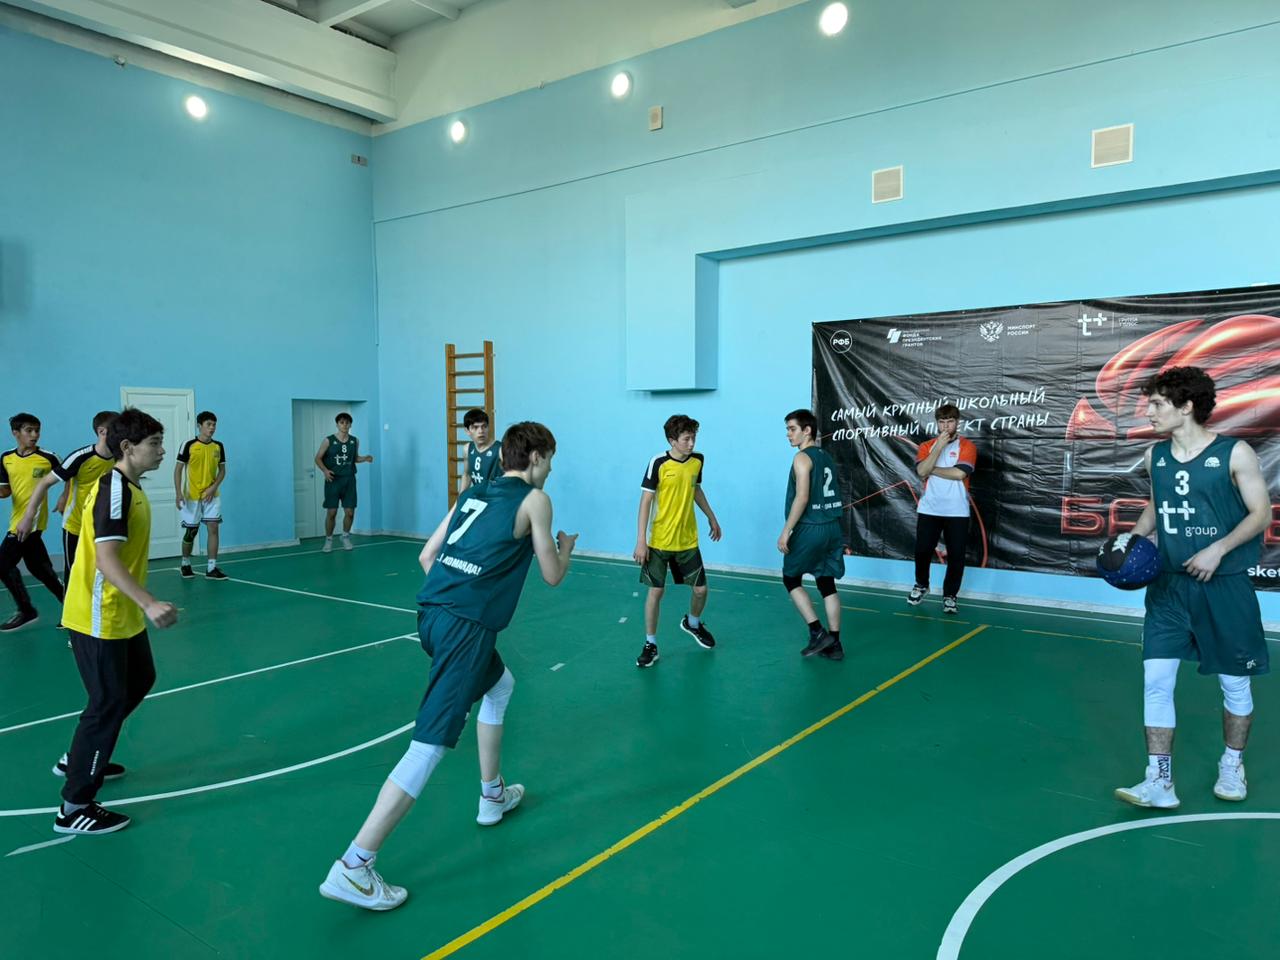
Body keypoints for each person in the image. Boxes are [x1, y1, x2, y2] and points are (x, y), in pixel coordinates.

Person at [319, 421, 575, 911]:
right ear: (537, 457)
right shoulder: (536, 500)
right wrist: (565, 549)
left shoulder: (473, 493)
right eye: (550, 460)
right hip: (465, 631)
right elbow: (551, 575)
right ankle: (354, 866)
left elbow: (426, 556)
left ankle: (492, 795)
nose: (550, 470)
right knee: (429, 744)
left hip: (431, 616)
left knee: (500, 686)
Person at [1113, 366, 1271, 810]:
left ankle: (1232, 764)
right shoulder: (1156, 456)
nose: (1149, 411)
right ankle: (1159, 781)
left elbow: (1260, 514)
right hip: (1169, 588)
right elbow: (1157, 504)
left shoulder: (1234, 453)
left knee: (1234, 684)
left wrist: (1218, 549)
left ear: (1186, 406)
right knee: (1156, 682)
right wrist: (1133, 541)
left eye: (1157, 403)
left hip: (1224, 587)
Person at [54, 408, 178, 835]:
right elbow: (106, 559)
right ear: (127, 447)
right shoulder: (114, 490)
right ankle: (74, 806)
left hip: (120, 612)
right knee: (106, 703)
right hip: (98, 614)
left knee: (140, 679)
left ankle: (83, 753)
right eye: (154, 444)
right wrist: (149, 603)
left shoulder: (131, 487)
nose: (162, 451)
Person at [633, 414, 722, 668]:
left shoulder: (697, 461)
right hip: (659, 541)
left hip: (687, 540)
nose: (691, 443)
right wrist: (641, 540)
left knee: (701, 590)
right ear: (673, 441)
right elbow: (646, 501)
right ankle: (650, 644)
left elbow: (696, 489)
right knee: (656, 592)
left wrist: (712, 517)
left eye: (694, 438)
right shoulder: (658, 463)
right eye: (686, 439)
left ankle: (692, 623)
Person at [17, 411, 118, 587]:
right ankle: (69, 604)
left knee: (103, 574)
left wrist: (64, 495)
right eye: (119, 429)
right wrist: (28, 517)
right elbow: (44, 483)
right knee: (74, 575)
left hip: (103, 525)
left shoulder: (121, 457)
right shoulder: (80, 457)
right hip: (76, 525)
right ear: (102, 432)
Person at [776, 409, 845, 660]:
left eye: (792, 429)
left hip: (810, 527)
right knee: (826, 583)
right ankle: (835, 643)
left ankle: (817, 631)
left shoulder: (802, 458)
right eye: (787, 429)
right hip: (832, 526)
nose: (788, 434)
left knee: (791, 579)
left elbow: (802, 497)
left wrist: (786, 531)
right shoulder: (825, 456)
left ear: (807, 430)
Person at [909, 403, 977, 615]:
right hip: (929, 508)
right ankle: (922, 585)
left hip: (957, 511)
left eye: (950, 421)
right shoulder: (926, 445)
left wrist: (931, 469)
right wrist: (938, 447)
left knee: (956, 556)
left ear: (957, 422)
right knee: (922, 551)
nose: (946, 426)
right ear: (937, 424)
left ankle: (950, 595)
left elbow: (959, 474)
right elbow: (921, 472)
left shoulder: (967, 446)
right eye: (942, 422)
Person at [0, 413, 65, 631]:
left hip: (31, 523)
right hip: (17, 519)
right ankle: (73, 607)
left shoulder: (49, 457)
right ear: (15, 433)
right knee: (41, 569)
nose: (34, 435)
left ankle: (26, 610)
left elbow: (71, 475)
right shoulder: (6, 458)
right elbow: (5, 491)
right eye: (29, 430)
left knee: (2, 564)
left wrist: (64, 497)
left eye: (37, 430)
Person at [174, 411, 227, 580]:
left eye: (214, 425)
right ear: (199, 426)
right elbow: (178, 470)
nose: (212, 428)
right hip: (192, 496)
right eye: (208, 424)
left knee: (213, 528)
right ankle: (185, 563)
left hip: (212, 495)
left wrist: (213, 488)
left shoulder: (218, 446)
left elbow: (222, 470)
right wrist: (178, 493)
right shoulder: (188, 445)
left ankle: (211, 568)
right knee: (192, 532)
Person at [315, 413, 373, 552]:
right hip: (333, 480)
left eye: (347, 422)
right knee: (332, 512)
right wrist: (325, 471)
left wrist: (365, 458)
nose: (345, 425)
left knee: (350, 512)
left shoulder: (354, 441)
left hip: (349, 480)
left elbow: (354, 458)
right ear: (337, 424)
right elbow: (318, 458)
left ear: (350, 424)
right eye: (342, 422)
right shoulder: (328, 440)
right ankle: (329, 540)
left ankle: (345, 536)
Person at [458, 408, 502, 494]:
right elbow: (467, 475)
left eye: (484, 426)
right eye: (475, 427)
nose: (481, 431)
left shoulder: (500, 449)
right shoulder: (467, 449)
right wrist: (460, 498)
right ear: (467, 431)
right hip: (478, 497)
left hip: (497, 497)